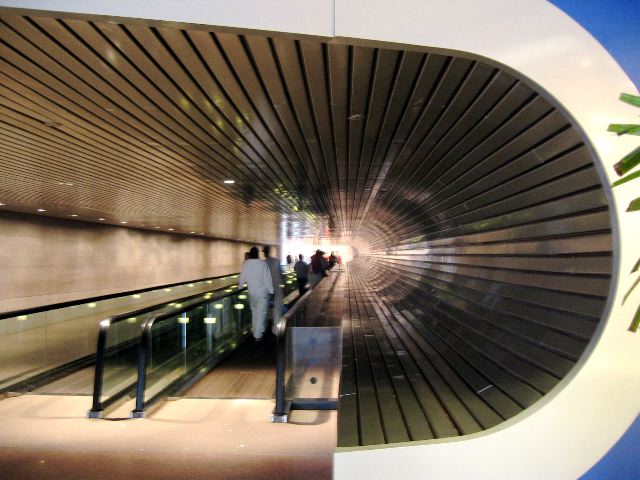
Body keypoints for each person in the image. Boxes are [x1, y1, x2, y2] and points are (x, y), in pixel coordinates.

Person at [238, 246, 273, 341]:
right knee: (261, 313)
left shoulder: (246, 264)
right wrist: (272, 291)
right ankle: (258, 335)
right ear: (257, 253)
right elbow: (267, 279)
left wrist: (240, 287)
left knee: (254, 312)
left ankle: (254, 330)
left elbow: (242, 277)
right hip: (262, 294)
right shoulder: (263, 264)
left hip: (252, 293)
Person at [262, 245, 283, 334]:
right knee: (277, 308)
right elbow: (281, 274)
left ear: (264, 253)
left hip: (266, 289)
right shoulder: (276, 261)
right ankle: (276, 330)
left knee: (267, 307)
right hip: (276, 288)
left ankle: (265, 326)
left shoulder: (262, 263)